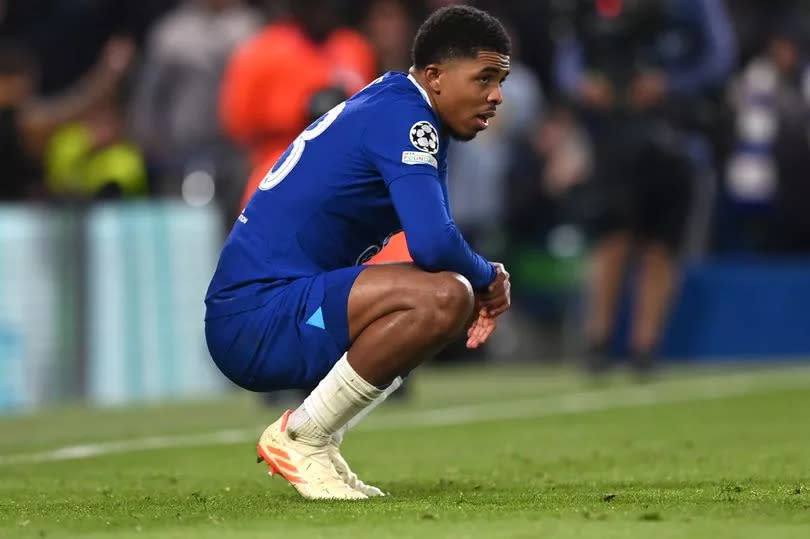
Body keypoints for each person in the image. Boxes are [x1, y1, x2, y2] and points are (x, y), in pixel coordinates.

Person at [205, 5, 512, 500]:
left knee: (443, 294)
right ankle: (303, 437)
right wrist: (488, 277)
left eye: (501, 79)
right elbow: (434, 242)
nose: (497, 96)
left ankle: (317, 441)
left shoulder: (396, 101)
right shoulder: (408, 118)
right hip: (258, 316)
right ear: (434, 76)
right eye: (484, 79)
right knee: (444, 296)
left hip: (269, 306)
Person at [219, 0, 376, 210]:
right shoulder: (261, 50)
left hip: (344, 167)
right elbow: (236, 122)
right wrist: (297, 111)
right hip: (274, 163)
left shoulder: (354, 47)